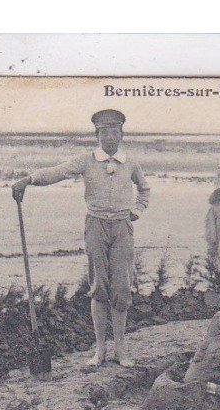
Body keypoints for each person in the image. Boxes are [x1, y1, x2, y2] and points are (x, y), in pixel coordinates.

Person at [11, 109, 149, 368]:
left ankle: (120, 350)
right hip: (95, 225)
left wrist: (137, 211)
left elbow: (145, 189)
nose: (110, 137)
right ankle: (99, 351)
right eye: (104, 132)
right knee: (99, 288)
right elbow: (58, 172)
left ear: (122, 134)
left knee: (121, 289)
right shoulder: (86, 161)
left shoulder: (130, 163)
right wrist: (28, 180)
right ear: (97, 135)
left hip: (122, 227)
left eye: (114, 132)